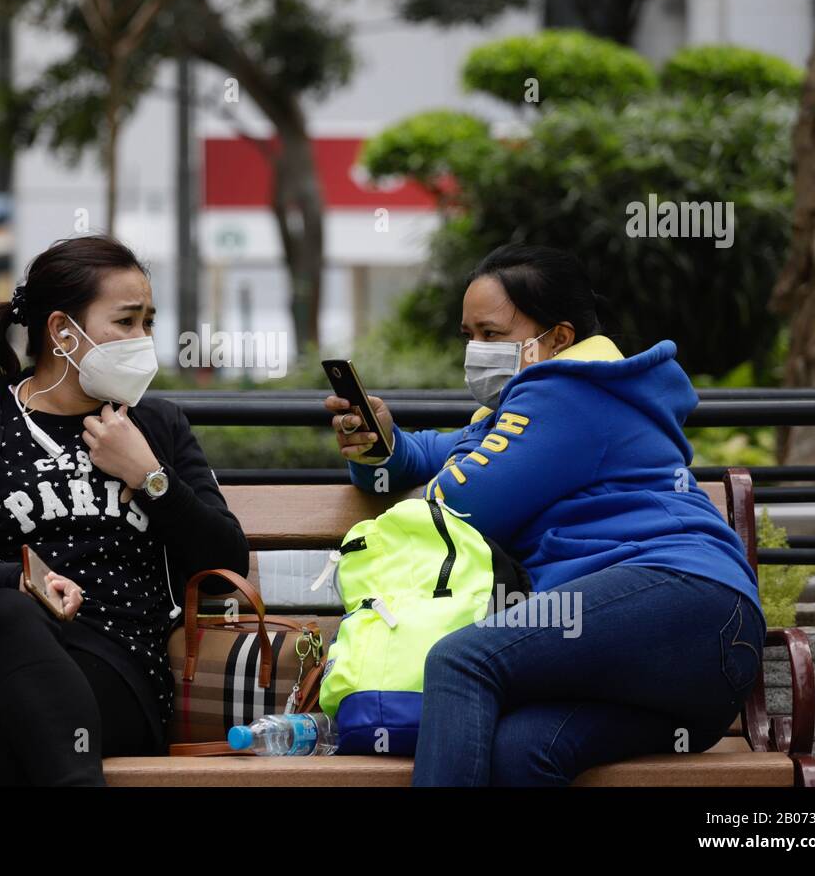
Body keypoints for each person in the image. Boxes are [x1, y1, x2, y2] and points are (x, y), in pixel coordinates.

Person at [324, 244, 766, 786]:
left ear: (558, 338)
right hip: (690, 671)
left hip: (682, 599)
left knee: (462, 661)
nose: (476, 350)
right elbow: (431, 456)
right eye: (468, 336)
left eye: (492, 334)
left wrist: (441, 467)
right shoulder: (518, 412)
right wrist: (380, 443)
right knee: (523, 750)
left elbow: (462, 502)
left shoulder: (570, 395)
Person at [0, 233, 249, 785]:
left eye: (148, 322)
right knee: (10, 613)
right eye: (125, 322)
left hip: (116, 668)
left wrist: (150, 477)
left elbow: (226, 567)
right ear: (61, 332)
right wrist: (18, 581)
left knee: (3, 742)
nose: (142, 339)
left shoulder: (156, 429)